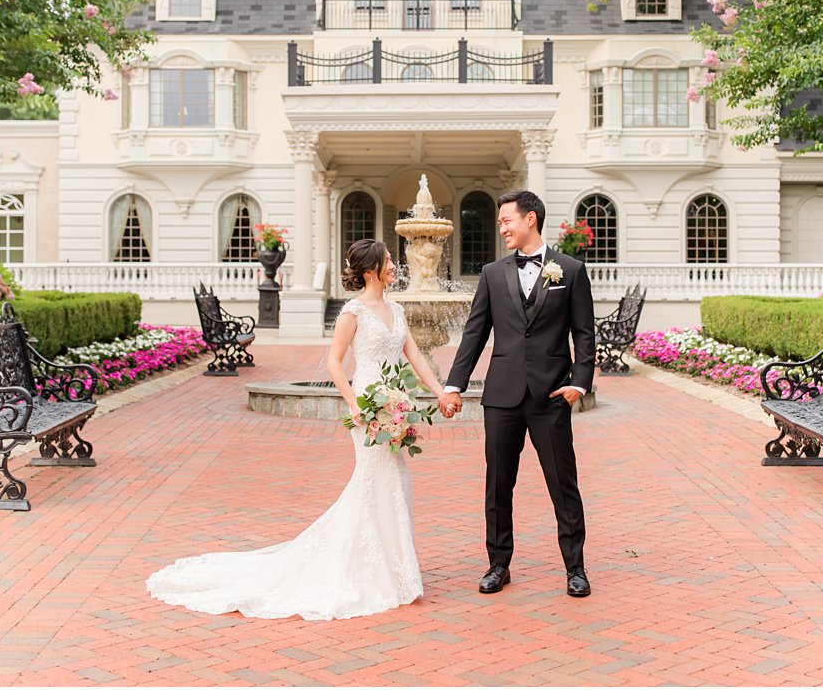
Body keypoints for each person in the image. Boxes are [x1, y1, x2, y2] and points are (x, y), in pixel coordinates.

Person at [146, 239, 450, 621]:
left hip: (395, 403)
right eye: (389, 261)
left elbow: (415, 355)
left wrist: (439, 392)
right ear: (371, 270)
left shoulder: (397, 309)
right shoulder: (352, 313)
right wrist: (354, 404)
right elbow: (335, 362)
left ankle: (395, 570)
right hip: (369, 404)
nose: (395, 266)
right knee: (376, 480)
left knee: (394, 480)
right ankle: (376, 570)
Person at [437, 190, 596, 598]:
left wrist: (579, 382)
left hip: (551, 396)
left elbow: (583, 333)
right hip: (501, 395)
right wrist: (454, 384)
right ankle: (498, 564)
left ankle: (575, 568)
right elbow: (475, 333)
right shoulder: (493, 273)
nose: (502, 227)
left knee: (563, 483)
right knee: (497, 484)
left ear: (530, 219)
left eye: (507, 220)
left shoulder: (571, 270)